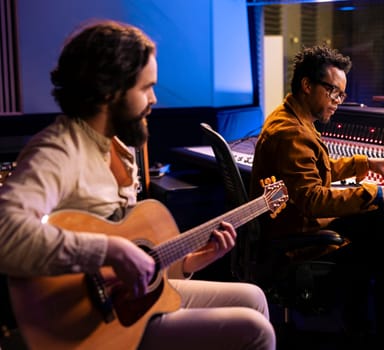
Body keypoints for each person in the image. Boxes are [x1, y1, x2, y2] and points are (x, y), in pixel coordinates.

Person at [0, 19, 275, 350]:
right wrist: (111, 250)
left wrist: (191, 262)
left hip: (129, 302)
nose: (155, 99)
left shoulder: (119, 146)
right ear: (109, 89)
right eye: (146, 87)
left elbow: (137, 264)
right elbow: (6, 233)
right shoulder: (58, 149)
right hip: (89, 325)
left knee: (254, 298)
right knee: (254, 330)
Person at [249, 45, 384, 349]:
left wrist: (366, 164)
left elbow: (318, 170)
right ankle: (376, 337)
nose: (338, 102)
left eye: (341, 95)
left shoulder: (291, 117)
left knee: (375, 230)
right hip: (297, 238)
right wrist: (381, 192)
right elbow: (313, 199)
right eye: (333, 93)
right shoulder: (291, 132)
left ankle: (356, 324)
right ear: (307, 85)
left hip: (292, 226)